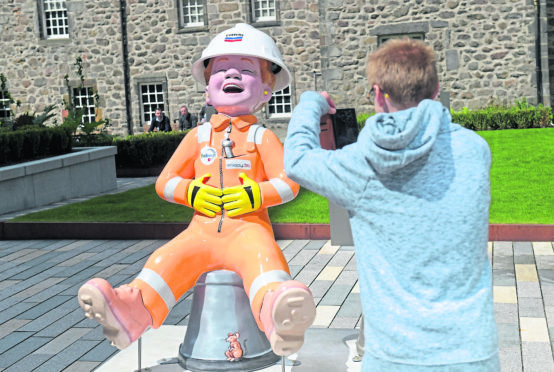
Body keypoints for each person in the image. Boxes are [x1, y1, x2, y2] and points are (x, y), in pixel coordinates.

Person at [78, 23, 316, 357]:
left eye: (246, 71)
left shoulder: (263, 138)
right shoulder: (198, 137)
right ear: (207, 90)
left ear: (266, 89)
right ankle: (131, 310)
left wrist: (254, 196)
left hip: (248, 229)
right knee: (167, 258)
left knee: (264, 260)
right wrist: (192, 193)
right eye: (221, 71)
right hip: (200, 231)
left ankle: (277, 313)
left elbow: (289, 182)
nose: (232, 75)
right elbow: (165, 181)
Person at [284, 38, 499, 371]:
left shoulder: (360, 166)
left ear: (378, 94)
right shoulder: (474, 151)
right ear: (436, 89)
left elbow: (297, 159)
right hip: (472, 353)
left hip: (395, 357)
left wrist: (311, 103)